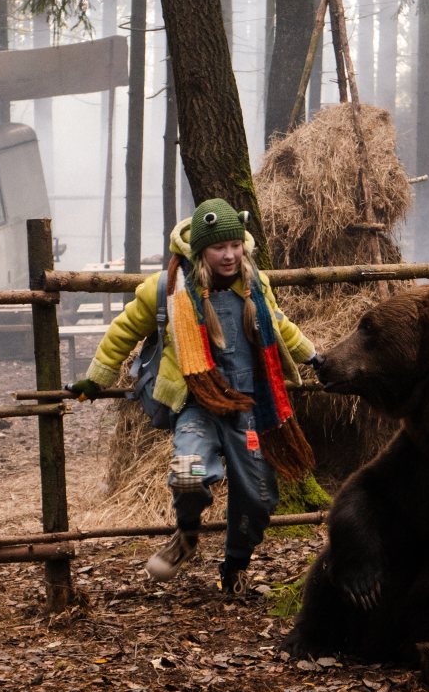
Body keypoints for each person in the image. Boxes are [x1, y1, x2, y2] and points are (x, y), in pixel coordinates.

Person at [69, 198, 318, 595]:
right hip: (196, 409)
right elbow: (123, 331)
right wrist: (94, 379)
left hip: (249, 411)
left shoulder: (255, 284)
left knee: (260, 495)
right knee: (189, 472)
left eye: (235, 245)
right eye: (220, 247)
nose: (229, 254)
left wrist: (316, 358)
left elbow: (281, 326)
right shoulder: (168, 287)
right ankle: (186, 535)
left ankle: (236, 564)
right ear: (201, 249)